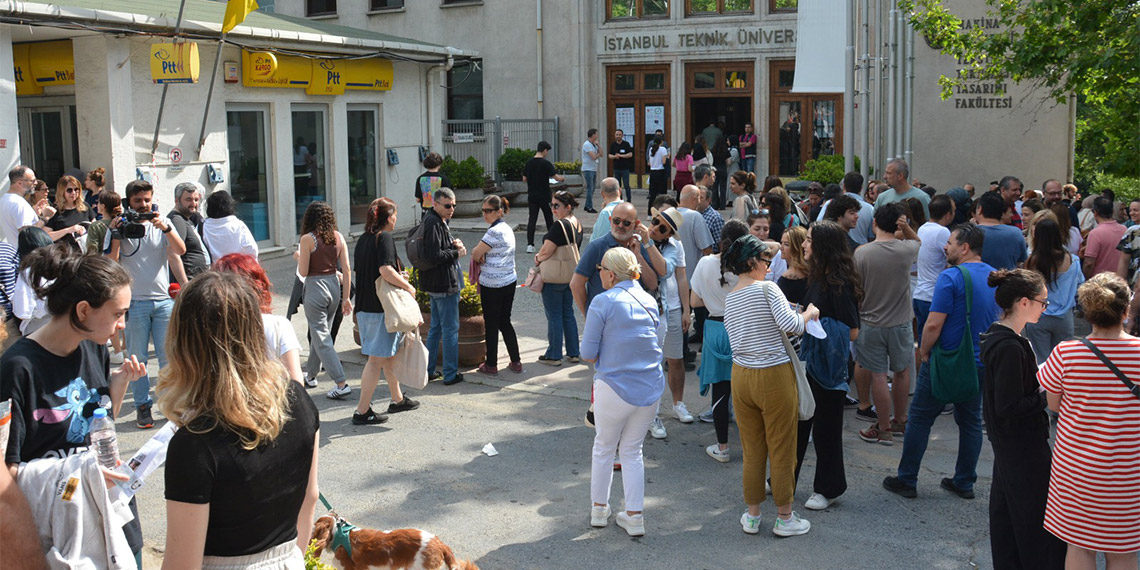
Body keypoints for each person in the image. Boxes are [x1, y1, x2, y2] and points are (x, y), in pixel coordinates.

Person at [159, 271, 320, 568]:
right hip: (288, 559)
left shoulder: (194, 443)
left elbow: (182, 563)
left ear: (184, 342)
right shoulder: (299, 399)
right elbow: (310, 498)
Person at [0, 243, 147, 565]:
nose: (122, 323)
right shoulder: (18, 368)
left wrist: (117, 385)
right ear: (83, 311)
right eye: (118, 313)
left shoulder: (91, 345)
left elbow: (99, 423)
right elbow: (7, 474)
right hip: (65, 532)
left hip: (114, 517)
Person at [884, 224, 999, 499]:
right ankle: (964, 482)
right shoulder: (995, 277)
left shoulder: (951, 277)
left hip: (947, 361)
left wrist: (924, 352)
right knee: (970, 421)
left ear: (965, 247)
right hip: (980, 361)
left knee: (921, 418)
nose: (945, 247)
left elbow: (933, 325)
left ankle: (907, 478)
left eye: (950, 242)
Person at [1038, 272, 1140, 569]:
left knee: (1079, 545)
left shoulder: (1066, 354)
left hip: (1077, 468)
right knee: (1123, 550)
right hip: (1129, 469)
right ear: (1125, 310)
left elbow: (1054, 404)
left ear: (1087, 311)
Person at [724, 234, 818, 537]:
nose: (770, 265)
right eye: (766, 260)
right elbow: (792, 326)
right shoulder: (768, 288)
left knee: (753, 450)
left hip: (741, 374)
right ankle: (785, 517)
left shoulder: (731, 297)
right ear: (752, 261)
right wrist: (808, 313)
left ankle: (752, 516)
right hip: (773, 374)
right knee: (782, 448)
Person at [978, 269, 1067, 570]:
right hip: (1022, 445)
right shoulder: (1009, 346)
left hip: (1011, 444)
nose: (1046, 308)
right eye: (1043, 302)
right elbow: (1009, 405)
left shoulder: (1005, 338)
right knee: (1033, 520)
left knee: (1008, 516)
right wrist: (1044, 393)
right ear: (1024, 302)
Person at [583, 247, 665, 538]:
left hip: (613, 387)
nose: (599, 273)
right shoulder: (648, 300)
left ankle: (598, 510)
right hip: (650, 386)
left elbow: (588, 353)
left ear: (610, 273)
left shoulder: (602, 301)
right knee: (633, 451)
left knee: (604, 448)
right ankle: (634, 515)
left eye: (601, 268)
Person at [106, 179, 187, 429]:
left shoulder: (162, 223)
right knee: (137, 358)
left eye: (147, 200)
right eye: (137, 201)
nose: (143, 205)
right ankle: (143, 405)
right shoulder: (120, 226)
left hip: (163, 301)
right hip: (135, 302)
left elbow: (180, 250)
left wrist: (164, 227)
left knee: (167, 358)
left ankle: (170, 404)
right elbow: (111, 261)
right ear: (127, 202)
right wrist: (117, 233)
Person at [796, 221, 862, 511]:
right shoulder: (816, 277)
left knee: (826, 430)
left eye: (809, 239)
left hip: (830, 368)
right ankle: (784, 480)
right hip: (810, 363)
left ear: (823, 246)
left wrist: (813, 320)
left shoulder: (840, 283)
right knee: (797, 425)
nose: (804, 244)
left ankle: (828, 488)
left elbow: (853, 331)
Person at [853, 203, 921, 445]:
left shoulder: (862, 253)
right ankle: (901, 419)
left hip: (871, 321)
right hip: (901, 321)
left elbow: (856, 288)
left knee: (879, 376)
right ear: (898, 225)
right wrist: (908, 227)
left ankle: (883, 428)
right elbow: (918, 241)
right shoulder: (905, 250)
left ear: (874, 223)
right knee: (902, 372)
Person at [349, 198, 420, 424]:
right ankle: (362, 411)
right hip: (381, 309)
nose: (396, 219)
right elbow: (385, 270)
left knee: (387, 356)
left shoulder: (363, 239)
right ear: (389, 218)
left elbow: (369, 272)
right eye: (395, 215)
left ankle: (397, 399)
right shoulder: (385, 237)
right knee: (376, 361)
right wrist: (407, 286)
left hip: (365, 307)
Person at [691, 220, 749, 460]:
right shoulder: (748, 267)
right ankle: (753, 447)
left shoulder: (705, 263)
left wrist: (716, 301)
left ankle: (722, 446)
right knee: (747, 390)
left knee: (721, 390)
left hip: (715, 327)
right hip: (744, 327)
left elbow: (695, 302)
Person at [213, 254, 303, 386]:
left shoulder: (209, 326)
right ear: (259, 285)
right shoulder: (278, 325)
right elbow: (296, 382)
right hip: (271, 403)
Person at [296, 201, 353, 397]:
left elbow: (303, 271)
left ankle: (341, 383)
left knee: (321, 337)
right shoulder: (338, 237)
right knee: (321, 333)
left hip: (315, 287)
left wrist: (297, 256)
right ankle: (311, 375)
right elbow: (346, 269)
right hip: (334, 287)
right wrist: (346, 299)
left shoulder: (307, 239)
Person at [571, 202, 663, 318]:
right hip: (604, 318)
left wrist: (638, 255)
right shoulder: (597, 247)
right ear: (610, 220)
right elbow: (576, 284)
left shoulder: (640, 247)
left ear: (636, 225)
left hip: (632, 318)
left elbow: (652, 284)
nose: (620, 226)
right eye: (616, 221)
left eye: (626, 223)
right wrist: (588, 314)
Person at [420, 188, 466, 386]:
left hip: (434, 283)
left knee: (436, 328)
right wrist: (457, 253)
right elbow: (434, 255)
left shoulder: (434, 220)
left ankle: (429, 371)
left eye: (454, 205)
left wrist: (452, 246)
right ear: (435, 204)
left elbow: (436, 251)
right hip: (443, 284)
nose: (452, 209)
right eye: (448, 205)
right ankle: (450, 374)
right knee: (449, 330)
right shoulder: (433, 223)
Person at [472, 195, 522, 375]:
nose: (485, 214)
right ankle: (516, 361)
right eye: (483, 210)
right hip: (508, 280)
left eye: (489, 211)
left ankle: (491, 364)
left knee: (492, 324)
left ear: (499, 211)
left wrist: (479, 254)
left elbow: (477, 253)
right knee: (505, 321)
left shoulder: (493, 231)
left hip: (492, 283)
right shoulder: (507, 228)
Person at [1024, 219, 1085, 364]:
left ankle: (1043, 386)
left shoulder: (1032, 261)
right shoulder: (1072, 260)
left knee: (1040, 361)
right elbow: (1080, 285)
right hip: (1064, 317)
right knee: (1065, 360)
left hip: (1038, 316)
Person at [535, 191, 583, 366]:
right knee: (567, 313)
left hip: (554, 277)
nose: (553, 209)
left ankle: (554, 355)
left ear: (568, 207)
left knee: (554, 315)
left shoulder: (559, 225)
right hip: (570, 275)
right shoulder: (577, 223)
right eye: (552, 205)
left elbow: (547, 250)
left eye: (557, 206)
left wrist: (538, 258)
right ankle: (573, 352)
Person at [166, 182, 210, 284]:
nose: (193, 204)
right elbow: (174, 253)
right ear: (177, 201)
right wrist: (184, 284)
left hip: (197, 280)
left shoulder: (185, 219)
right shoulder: (177, 220)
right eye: (188, 199)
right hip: (190, 281)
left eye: (196, 200)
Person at [524, 141, 563, 254]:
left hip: (532, 195)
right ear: (545, 150)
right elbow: (556, 177)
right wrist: (562, 178)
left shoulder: (529, 163)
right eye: (547, 151)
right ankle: (552, 242)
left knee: (532, 219)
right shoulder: (546, 164)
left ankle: (530, 244)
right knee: (548, 219)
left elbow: (524, 179)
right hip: (545, 196)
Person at [974, 192, 1027, 270]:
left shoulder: (968, 233)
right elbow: (1021, 261)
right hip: (1007, 280)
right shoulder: (1016, 233)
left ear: (979, 209)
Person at [1, 166, 54, 244]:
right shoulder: (18, 203)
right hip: (27, 254)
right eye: (32, 180)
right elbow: (28, 235)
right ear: (19, 183)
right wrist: (45, 217)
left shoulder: (5, 199)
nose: (36, 183)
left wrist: (35, 214)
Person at [201, 190, 258, 261]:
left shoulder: (202, 226)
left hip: (213, 269)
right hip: (237, 268)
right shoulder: (238, 225)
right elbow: (251, 249)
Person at [44, 176, 92, 252]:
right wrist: (68, 230)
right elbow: (46, 236)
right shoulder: (55, 211)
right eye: (69, 190)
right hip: (64, 254)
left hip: (84, 252)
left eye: (76, 189)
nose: (74, 193)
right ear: (62, 191)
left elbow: (94, 226)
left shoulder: (85, 207)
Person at [1083, 196, 1126, 279]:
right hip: (1119, 280)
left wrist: (1085, 279)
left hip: (1099, 281)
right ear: (1112, 211)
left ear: (1095, 213)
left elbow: (1089, 263)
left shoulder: (1095, 233)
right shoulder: (1124, 230)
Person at [86, 191, 122, 256]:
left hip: (103, 263)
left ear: (103, 206)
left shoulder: (95, 226)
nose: (97, 205)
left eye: (98, 203)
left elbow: (92, 252)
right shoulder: (122, 224)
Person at [590, 178, 623, 244]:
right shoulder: (628, 209)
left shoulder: (606, 213)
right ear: (620, 191)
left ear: (602, 194)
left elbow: (601, 241)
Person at [608, 130, 634, 202]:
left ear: (622, 135)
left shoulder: (626, 144)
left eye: (619, 135)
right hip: (616, 168)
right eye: (617, 135)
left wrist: (621, 156)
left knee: (626, 185)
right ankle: (620, 199)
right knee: (617, 186)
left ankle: (629, 199)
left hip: (625, 168)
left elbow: (630, 154)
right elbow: (609, 155)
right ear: (615, 135)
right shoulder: (613, 145)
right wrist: (614, 157)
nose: (618, 136)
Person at [1117, 201, 1140, 285]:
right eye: (1130, 210)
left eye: (1136, 210)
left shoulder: (1133, 231)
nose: (1132, 213)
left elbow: (1124, 261)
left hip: (1136, 282)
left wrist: (1119, 285)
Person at [646, 135, 670, 214]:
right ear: (661, 142)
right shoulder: (663, 149)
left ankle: (650, 212)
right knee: (662, 193)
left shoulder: (651, 149)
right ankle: (663, 211)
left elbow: (649, 162)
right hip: (660, 172)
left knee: (652, 194)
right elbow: (664, 162)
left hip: (653, 172)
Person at [581, 129, 601, 213]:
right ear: (592, 135)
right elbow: (593, 157)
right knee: (590, 188)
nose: (597, 136)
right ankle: (589, 206)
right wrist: (598, 154)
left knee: (592, 188)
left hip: (593, 168)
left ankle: (587, 205)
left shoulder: (594, 145)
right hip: (588, 169)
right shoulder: (587, 145)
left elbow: (601, 154)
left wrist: (599, 146)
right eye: (596, 134)